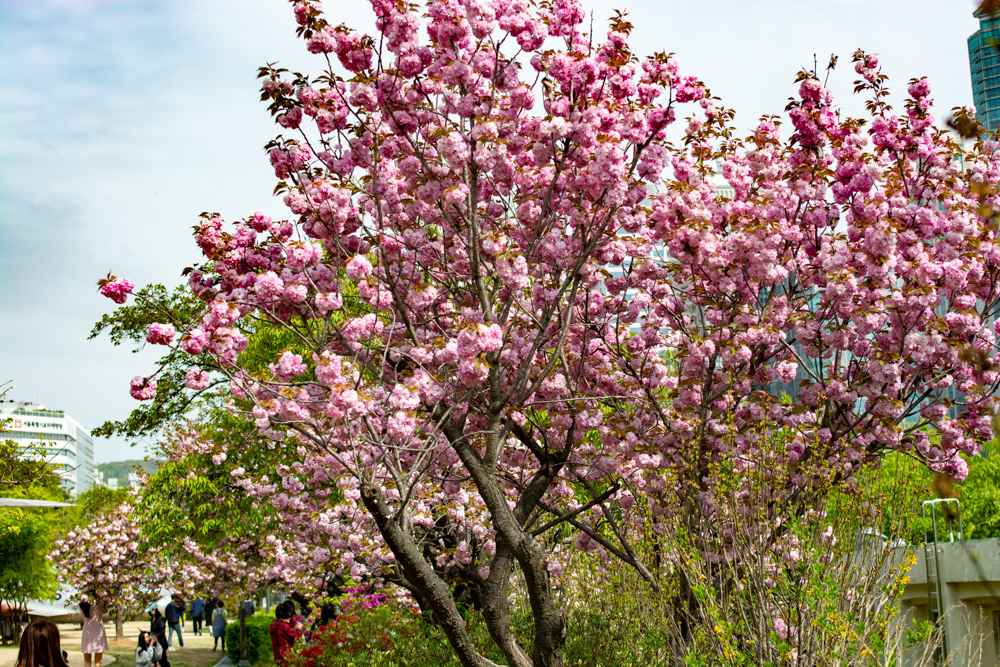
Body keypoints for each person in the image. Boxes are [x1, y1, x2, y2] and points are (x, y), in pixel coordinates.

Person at [269, 601, 302, 667]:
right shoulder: (284, 626)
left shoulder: (273, 624)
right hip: (285, 659)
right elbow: (296, 638)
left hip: (277, 657)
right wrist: (299, 627)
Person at [79, 600, 109, 667]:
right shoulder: (99, 602)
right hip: (98, 631)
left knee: (87, 662)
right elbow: (105, 611)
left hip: (87, 631)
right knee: (98, 662)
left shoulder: (82, 604)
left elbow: (82, 614)